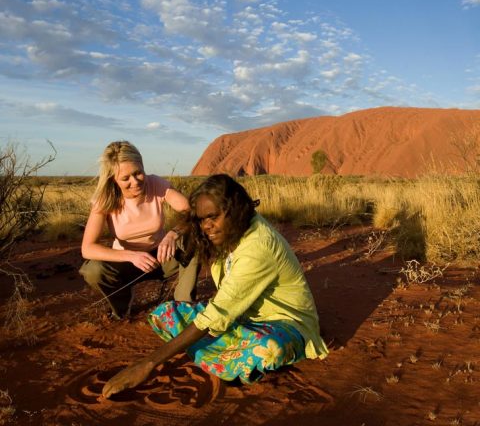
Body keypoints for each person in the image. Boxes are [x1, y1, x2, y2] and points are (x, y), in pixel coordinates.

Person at [102, 174, 328, 397]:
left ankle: (210, 348)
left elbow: (217, 312)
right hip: (243, 316)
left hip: (283, 322)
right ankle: (215, 350)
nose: (206, 226)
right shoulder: (231, 231)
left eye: (212, 217)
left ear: (234, 210)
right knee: (166, 313)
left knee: (269, 348)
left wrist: (147, 364)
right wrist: (173, 234)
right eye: (201, 219)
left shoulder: (258, 247)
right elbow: (219, 308)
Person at [80, 141, 199, 319]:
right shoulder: (105, 198)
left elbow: (192, 212)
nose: (135, 182)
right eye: (125, 178)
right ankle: (122, 305)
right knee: (93, 270)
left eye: (138, 173)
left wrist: (173, 234)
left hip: (161, 257)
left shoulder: (156, 184)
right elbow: (87, 248)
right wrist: (131, 255)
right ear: (114, 179)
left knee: (195, 240)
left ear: (143, 166)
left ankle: (183, 309)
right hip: (127, 263)